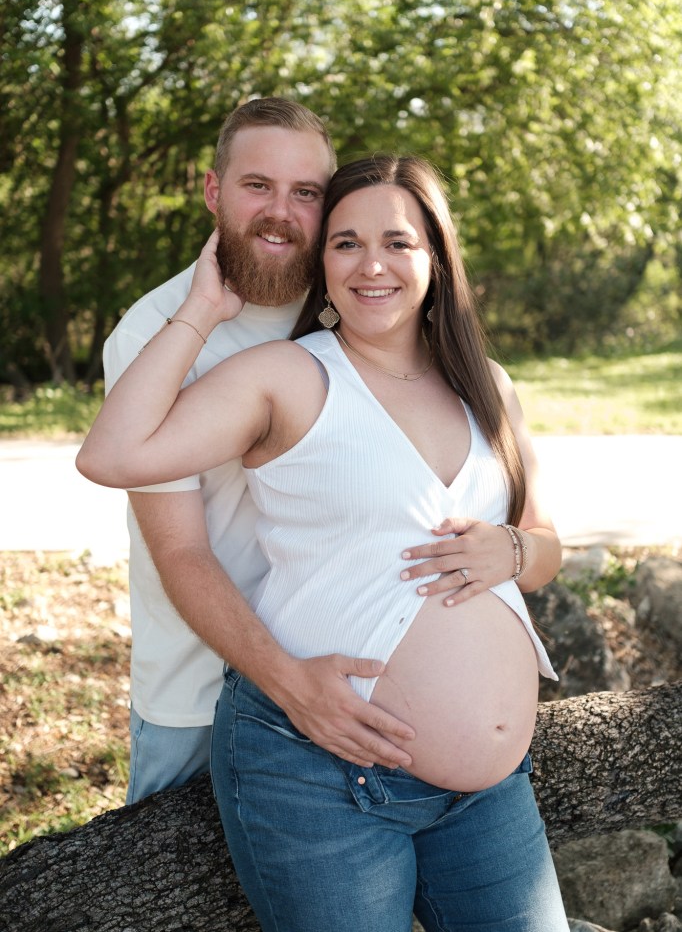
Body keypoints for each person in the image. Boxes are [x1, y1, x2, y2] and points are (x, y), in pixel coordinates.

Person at [78, 155, 568, 931]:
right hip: (323, 772)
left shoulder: (488, 384)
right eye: (345, 243)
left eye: (397, 242)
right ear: (322, 264)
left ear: (436, 257)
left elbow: (544, 546)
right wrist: (201, 310)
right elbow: (110, 455)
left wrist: (510, 551)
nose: (372, 265)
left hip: (485, 794)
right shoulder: (287, 376)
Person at [104, 99, 468, 803]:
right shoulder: (154, 333)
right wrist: (290, 684)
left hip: (348, 677)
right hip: (201, 690)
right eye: (257, 186)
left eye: (305, 192)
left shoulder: (354, 303)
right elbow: (180, 550)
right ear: (214, 190)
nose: (281, 211)